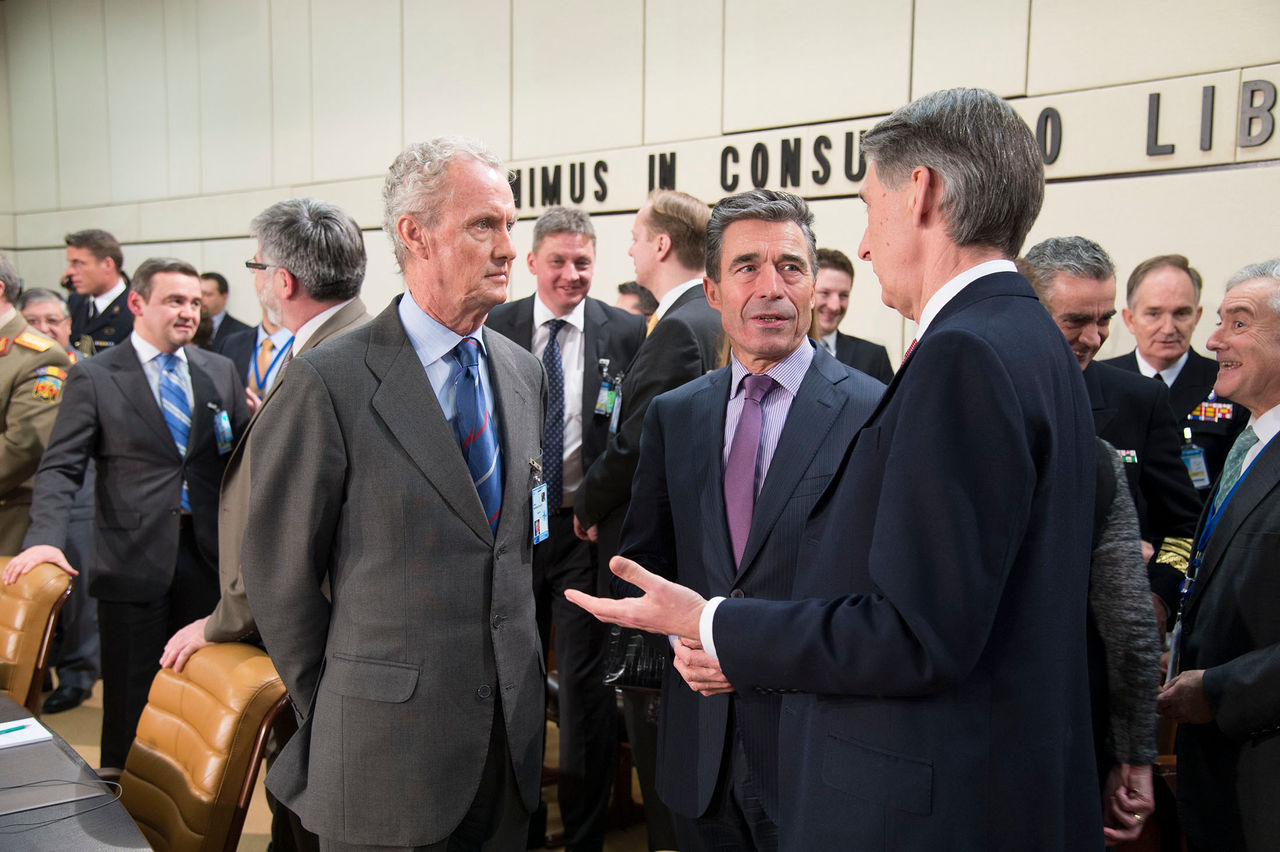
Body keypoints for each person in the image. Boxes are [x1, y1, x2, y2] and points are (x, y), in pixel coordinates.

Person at [568, 88, 1104, 850]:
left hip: (931, 797)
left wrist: (712, 622)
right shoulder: (1027, 339)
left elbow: (916, 631)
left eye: (867, 203)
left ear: (919, 191)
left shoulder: (961, 356)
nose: (861, 243)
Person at [239, 137, 546, 850]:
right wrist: (348, 696)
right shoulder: (329, 382)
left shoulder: (523, 373)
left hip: (508, 751)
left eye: (509, 225)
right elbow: (279, 577)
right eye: (484, 226)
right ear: (415, 234)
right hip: (384, 759)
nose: (508, 247)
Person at [620, 189, 882, 850]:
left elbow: (881, 603)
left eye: (791, 267)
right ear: (711, 291)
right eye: (747, 268)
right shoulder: (676, 415)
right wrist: (685, 644)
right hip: (698, 751)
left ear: (816, 283)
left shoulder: (874, 414)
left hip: (816, 753)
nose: (772, 288)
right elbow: (650, 568)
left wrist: (751, 651)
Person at [4, 257, 249, 772]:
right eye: (174, 301)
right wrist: (44, 537)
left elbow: (238, 461)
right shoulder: (94, 375)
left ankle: (187, 802)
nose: (187, 312)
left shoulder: (219, 371)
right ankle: (119, 800)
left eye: (194, 303)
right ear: (137, 303)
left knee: (199, 695)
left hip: (208, 560)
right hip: (130, 562)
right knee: (130, 695)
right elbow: (60, 467)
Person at [485, 206, 644, 852]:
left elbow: (633, 434)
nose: (572, 274)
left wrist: (597, 506)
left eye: (583, 262)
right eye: (559, 261)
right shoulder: (497, 324)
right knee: (512, 680)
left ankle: (582, 837)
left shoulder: (628, 332)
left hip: (582, 534)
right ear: (532, 263)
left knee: (582, 696)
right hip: (513, 536)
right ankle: (515, 828)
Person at [572, 189, 721, 851]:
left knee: (653, 721)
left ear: (661, 244)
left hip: (650, 561)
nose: (630, 248)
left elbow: (636, 446)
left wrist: (584, 503)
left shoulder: (683, 325)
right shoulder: (702, 317)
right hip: (684, 558)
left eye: (635, 236)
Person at [1158, 259, 1280, 851]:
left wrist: (1220, 690)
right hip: (1223, 775)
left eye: (1239, 323)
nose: (1213, 340)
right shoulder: (1251, 442)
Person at [1022, 237, 1202, 623]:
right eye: (1075, 321)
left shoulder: (1140, 400)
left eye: (1104, 320)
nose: (1094, 338)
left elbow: (1184, 529)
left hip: (1105, 637)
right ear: (1031, 312)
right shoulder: (991, 393)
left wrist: (1157, 600)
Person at [16, 287, 101, 715]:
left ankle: (79, 675)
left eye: (54, 320)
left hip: (82, 495)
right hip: (24, 497)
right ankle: (37, 671)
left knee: (81, 597)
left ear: (70, 326)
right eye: (34, 321)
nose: (46, 328)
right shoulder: (16, 366)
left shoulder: (93, 371)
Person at [1101, 254, 1249, 492]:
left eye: (1181, 313)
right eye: (1154, 314)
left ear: (1197, 316)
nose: (1168, 328)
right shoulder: (1098, 382)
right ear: (1130, 319)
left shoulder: (1228, 384)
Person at [811, 247, 894, 382]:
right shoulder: (782, 352)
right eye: (825, 293)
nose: (835, 306)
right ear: (808, 292)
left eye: (843, 295)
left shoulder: (874, 357)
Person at [64, 229, 132, 355]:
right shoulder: (74, 302)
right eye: (70, 263)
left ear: (107, 264)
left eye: (78, 263)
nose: (69, 272)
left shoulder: (136, 308)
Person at [199, 272, 252, 349]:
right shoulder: (187, 327)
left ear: (224, 297)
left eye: (208, 294)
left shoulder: (243, 332)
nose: (201, 299)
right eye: (198, 293)